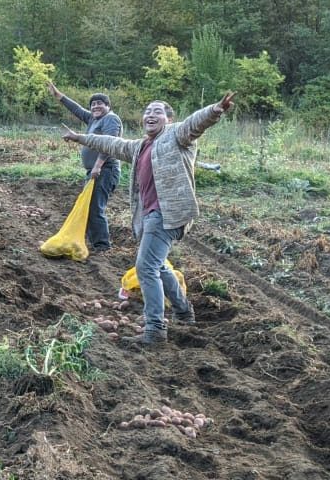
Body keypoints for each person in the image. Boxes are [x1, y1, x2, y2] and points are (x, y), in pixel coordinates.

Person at [62, 92, 235, 346]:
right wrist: (80, 138)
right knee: (159, 265)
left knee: (146, 268)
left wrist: (216, 110)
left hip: (168, 213)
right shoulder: (141, 145)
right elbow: (112, 144)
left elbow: (195, 123)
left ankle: (155, 329)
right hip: (150, 215)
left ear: (168, 118)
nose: (150, 115)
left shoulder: (176, 135)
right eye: (147, 111)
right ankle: (184, 311)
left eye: (157, 111)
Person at [48, 82, 122, 253]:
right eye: (93, 104)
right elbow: (77, 109)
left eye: (100, 103)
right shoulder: (93, 119)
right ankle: (94, 242)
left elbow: (109, 144)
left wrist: (97, 166)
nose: (95, 106)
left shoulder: (111, 119)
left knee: (95, 207)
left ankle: (102, 246)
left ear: (108, 106)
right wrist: (59, 96)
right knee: (88, 206)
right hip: (95, 171)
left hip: (105, 170)